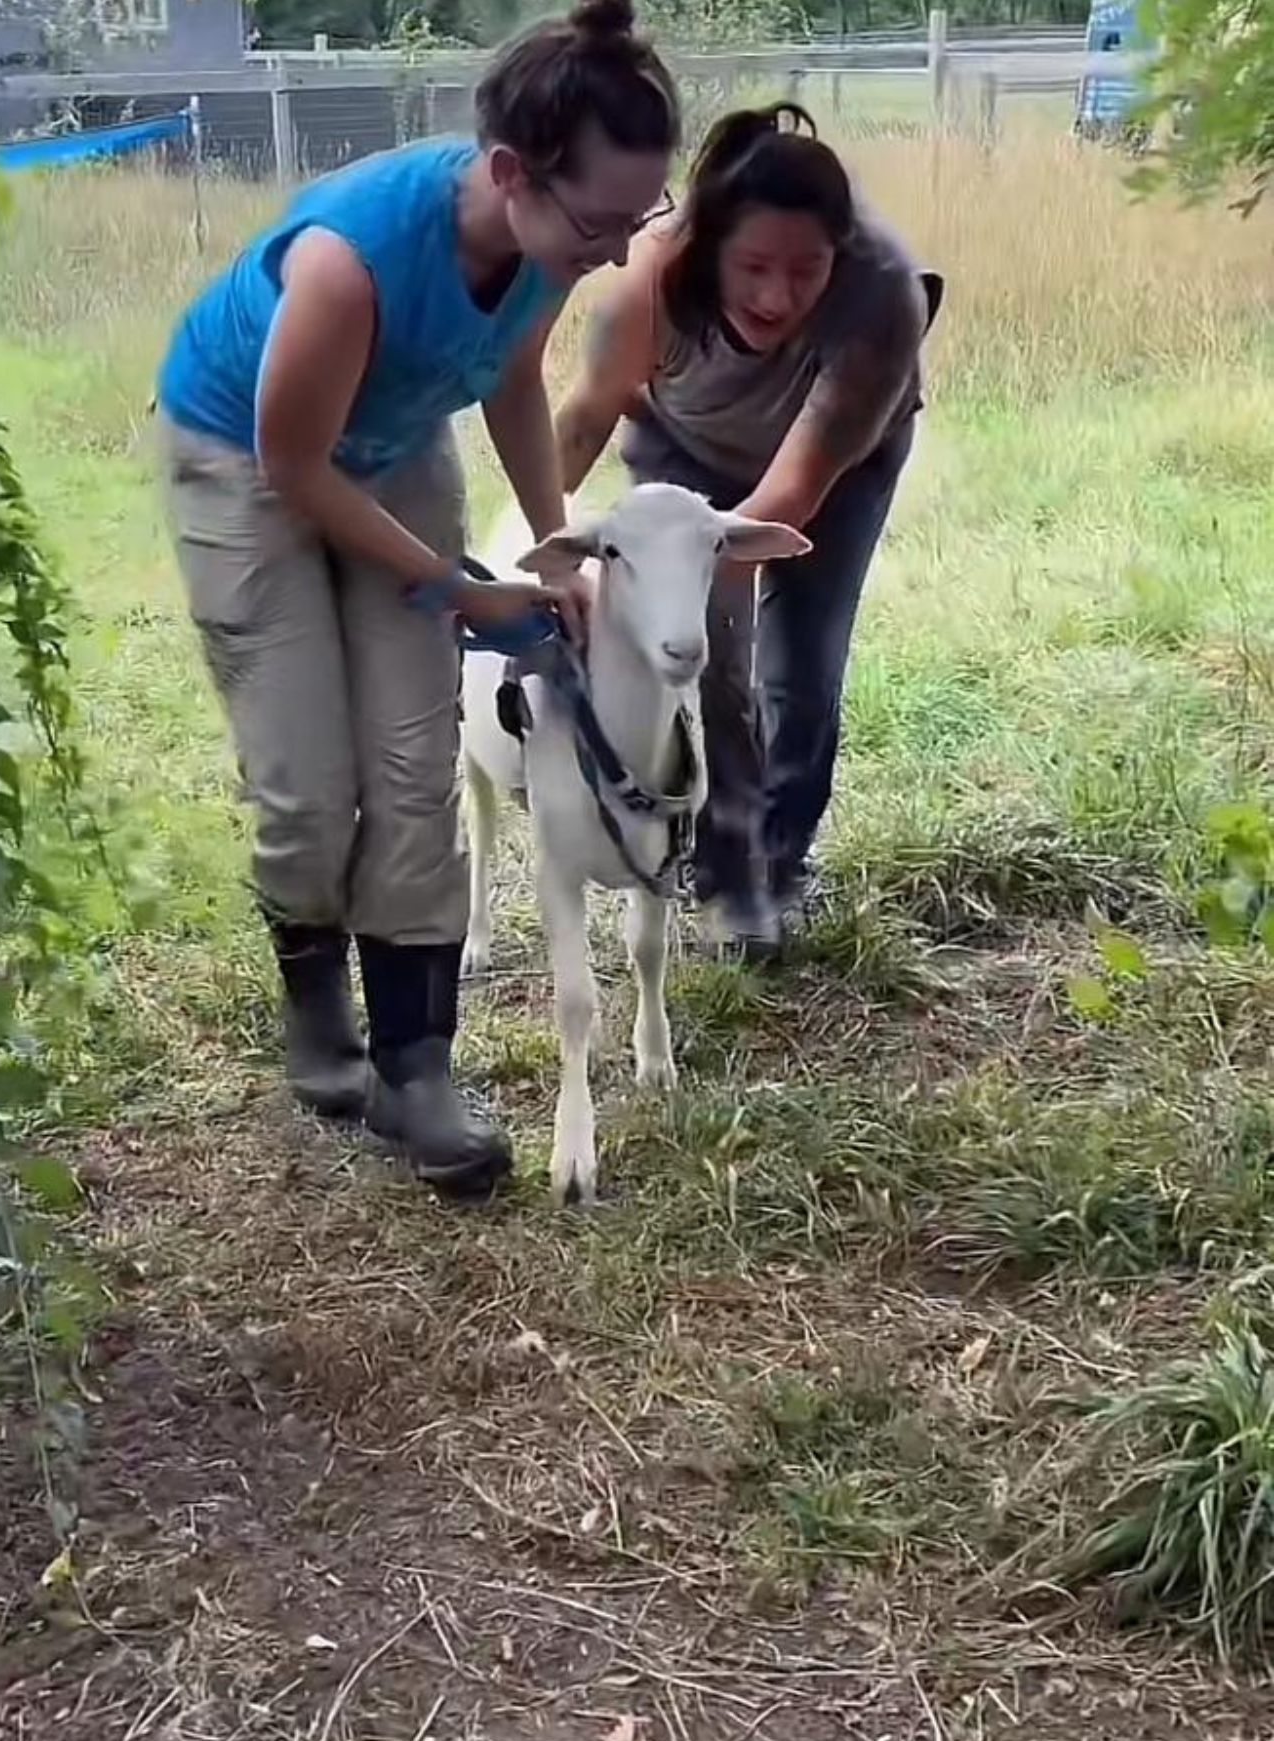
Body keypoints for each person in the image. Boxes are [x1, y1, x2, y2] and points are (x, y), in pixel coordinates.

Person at [156, 0, 680, 1199]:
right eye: (601, 218)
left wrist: (555, 547)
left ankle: (417, 1069)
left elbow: (511, 375)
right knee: (307, 784)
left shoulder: (549, 249)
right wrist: (455, 589)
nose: (614, 249)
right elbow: (295, 468)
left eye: (636, 216)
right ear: (511, 173)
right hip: (246, 465)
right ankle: (316, 1010)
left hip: (392, 447)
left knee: (410, 760)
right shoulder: (351, 263)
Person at [557, 103, 941, 958]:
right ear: (710, 251)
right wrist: (541, 551)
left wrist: (712, 577)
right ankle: (719, 871)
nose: (777, 295)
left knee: (799, 664)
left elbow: (794, 491)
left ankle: (775, 867)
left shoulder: (883, 295)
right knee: (703, 654)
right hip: (681, 454)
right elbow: (583, 420)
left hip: (833, 473)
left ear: (839, 257)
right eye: (755, 265)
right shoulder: (653, 278)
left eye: (806, 270)